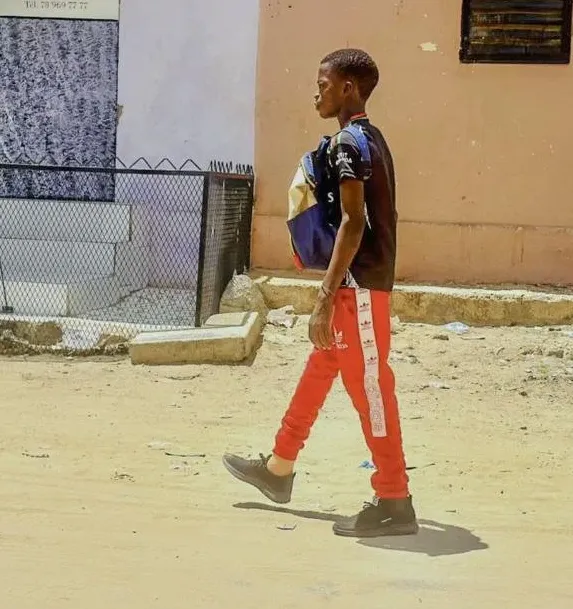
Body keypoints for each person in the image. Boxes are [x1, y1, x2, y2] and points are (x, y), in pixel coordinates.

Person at [222, 48, 418, 538]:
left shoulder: (350, 145)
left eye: (325, 85)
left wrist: (325, 296)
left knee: (372, 391)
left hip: (359, 289)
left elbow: (354, 224)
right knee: (321, 368)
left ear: (349, 88)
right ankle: (280, 467)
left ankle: (395, 500)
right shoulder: (369, 138)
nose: (318, 93)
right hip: (359, 285)